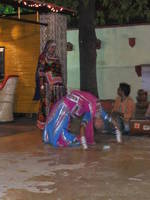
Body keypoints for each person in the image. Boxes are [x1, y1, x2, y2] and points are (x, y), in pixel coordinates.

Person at [43, 89, 122, 150]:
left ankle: (52, 137)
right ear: (101, 120)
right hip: (66, 104)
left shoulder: (89, 114)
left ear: (94, 122)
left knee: (60, 127)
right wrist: (84, 144)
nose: (98, 123)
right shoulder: (100, 110)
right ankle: (53, 138)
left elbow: (82, 127)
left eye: (97, 125)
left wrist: (118, 138)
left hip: (67, 107)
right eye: (100, 123)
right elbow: (112, 121)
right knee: (58, 126)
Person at [33, 40, 66, 130]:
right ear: (47, 47)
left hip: (57, 86)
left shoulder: (56, 57)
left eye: (54, 47)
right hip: (47, 85)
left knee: (56, 104)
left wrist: (62, 83)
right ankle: (44, 124)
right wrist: (42, 85)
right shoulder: (43, 57)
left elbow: (59, 71)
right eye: (52, 47)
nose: (53, 49)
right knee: (46, 104)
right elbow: (40, 71)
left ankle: (55, 123)